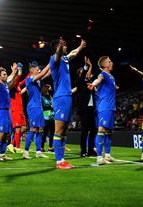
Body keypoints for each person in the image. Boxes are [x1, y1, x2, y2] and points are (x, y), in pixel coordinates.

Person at [49, 37, 86, 169]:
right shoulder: (54, 59)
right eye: (63, 46)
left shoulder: (65, 59)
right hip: (60, 97)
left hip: (67, 96)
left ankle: (62, 159)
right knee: (59, 130)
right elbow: (58, 54)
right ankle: (59, 161)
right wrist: (59, 47)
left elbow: (73, 53)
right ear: (57, 48)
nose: (66, 47)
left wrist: (81, 47)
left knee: (64, 131)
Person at [88, 56, 117, 165]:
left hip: (111, 107)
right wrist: (93, 84)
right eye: (110, 61)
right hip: (104, 107)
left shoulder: (111, 76)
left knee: (109, 132)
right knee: (101, 130)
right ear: (105, 65)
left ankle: (108, 156)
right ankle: (99, 157)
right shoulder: (103, 74)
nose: (112, 62)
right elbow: (98, 79)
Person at [22, 61, 50, 159]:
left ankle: (38, 151)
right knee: (33, 129)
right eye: (37, 68)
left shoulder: (38, 80)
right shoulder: (29, 79)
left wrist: (56, 62)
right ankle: (26, 152)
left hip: (38, 107)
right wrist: (50, 62)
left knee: (40, 129)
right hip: (33, 107)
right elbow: (43, 73)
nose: (38, 70)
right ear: (32, 70)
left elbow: (47, 73)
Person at [0, 64, 17, 161]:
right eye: (4, 74)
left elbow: (11, 81)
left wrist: (14, 73)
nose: (6, 76)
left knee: (7, 134)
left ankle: (2, 154)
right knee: (0, 134)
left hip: (6, 112)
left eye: (6, 74)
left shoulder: (5, 86)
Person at [72, 56, 97, 157]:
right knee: (85, 130)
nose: (85, 72)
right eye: (82, 71)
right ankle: (83, 151)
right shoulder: (79, 82)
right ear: (79, 74)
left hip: (91, 108)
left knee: (93, 130)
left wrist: (90, 65)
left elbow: (89, 75)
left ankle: (91, 150)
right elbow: (83, 75)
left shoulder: (88, 81)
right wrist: (86, 66)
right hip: (84, 109)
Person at [7, 62, 27, 154]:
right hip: (14, 107)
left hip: (20, 108)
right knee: (18, 128)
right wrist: (18, 72)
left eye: (17, 67)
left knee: (24, 128)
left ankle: (11, 144)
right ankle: (17, 147)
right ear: (11, 67)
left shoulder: (18, 84)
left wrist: (31, 74)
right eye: (15, 67)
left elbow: (24, 80)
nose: (16, 68)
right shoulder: (9, 79)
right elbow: (16, 79)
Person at [41, 84, 54, 152]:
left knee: (52, 132)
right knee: (45, 132)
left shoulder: (51, 97)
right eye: (49, 87)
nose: (50, 88)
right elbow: (42, 107)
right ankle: (42, 147)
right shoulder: (42, 97)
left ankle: (50, 147)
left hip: (52, 116)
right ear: (46, 88)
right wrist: (50, 107)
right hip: (46, 117)